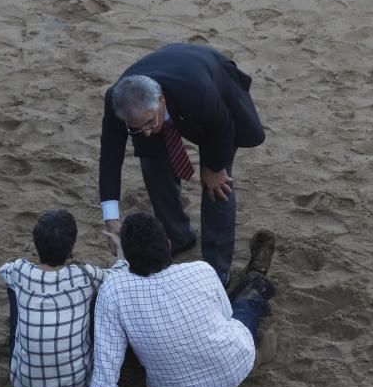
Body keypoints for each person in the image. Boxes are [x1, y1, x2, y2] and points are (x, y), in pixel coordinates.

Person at [56, 212, 276, 387]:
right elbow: (226, 316)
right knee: (244, 307)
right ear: (168, 245)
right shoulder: (201, 270)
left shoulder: (113, 291)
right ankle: (257, 279)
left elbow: (107, 365)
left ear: (128, 259)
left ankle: (256, 298)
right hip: (234, 361)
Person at [98, 43, 266, 288]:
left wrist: (215, 167)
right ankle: (178, 237)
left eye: (148, 123)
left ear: (161, 101)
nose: (144, 133)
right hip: (175, 91)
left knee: (218, 186)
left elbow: (224, 125)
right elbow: (110, 158)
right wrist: (111, 218)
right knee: (153, 166)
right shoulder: (117, 103)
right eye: (135, 127)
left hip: (212, 98)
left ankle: (216, 270)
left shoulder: (198, 92)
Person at [0, 209, 128, 387]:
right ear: (71, 247)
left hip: (22, 383)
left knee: (13, 287)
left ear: (36, 244)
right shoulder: (84, 275)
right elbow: (120, 274)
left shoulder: (19, 270)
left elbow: (3, 270)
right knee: (99, 293)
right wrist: (120, 247)